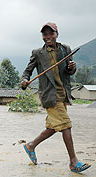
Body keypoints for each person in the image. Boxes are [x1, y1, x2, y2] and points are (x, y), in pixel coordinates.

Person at [21, 22, 91, 173]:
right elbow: (28, 71)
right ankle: (73, 162)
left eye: (50, 34)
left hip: (63, 93)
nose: (48, 37)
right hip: (49, 95)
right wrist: (24, 81)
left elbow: (69, 71)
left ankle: (31, 145)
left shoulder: (65, 49)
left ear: (56, 34)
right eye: (45, 34)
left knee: (53, 127)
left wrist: (71, 68)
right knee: (65, 125)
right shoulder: (38, 53)